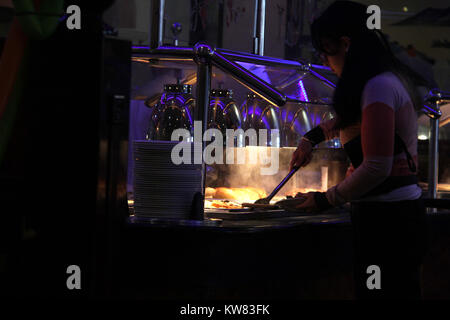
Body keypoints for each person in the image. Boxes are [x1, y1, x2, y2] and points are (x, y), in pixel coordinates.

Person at [289, 1, 428, 299]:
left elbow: (377, 167)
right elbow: (349, 119)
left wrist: (326, 199)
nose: (327, 63)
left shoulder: (378, 86)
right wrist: (310, 139)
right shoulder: (378, 80)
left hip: (389, 223)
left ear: (346, 44)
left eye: (327, 51)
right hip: (391, 218)